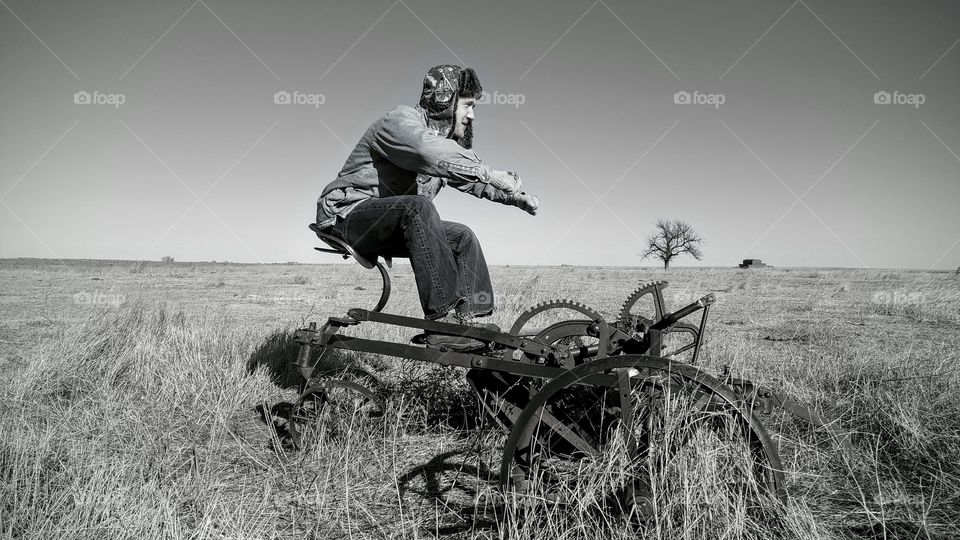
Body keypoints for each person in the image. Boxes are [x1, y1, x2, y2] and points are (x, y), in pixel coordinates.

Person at [315, 65, 539, 349]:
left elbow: (467, 180)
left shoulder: (439, 145)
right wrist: (490, 172)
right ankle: (441, 325)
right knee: (418, 208)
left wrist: (514, 197)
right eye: (468, 105)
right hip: (347, 215)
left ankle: (470, 322)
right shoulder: (400, 122)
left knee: (462, 237)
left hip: (388, 220)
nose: (472, 115)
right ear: (446, 99)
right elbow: (426, 151)